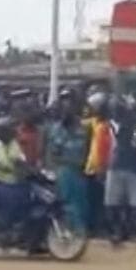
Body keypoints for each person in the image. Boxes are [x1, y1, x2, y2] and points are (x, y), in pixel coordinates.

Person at [103, 97, 136, 246]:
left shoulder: (129, 125)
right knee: (119, 202)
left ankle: (125, 232)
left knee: (128, 203)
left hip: (127, 167)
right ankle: (120, 232)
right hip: (121, 166)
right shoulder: (115, 125)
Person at [46, 100, 90, 232]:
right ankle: (67, 228)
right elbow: (52, 153)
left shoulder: (84, 128)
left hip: (80, 170)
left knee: (81, 201)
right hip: (64, 170)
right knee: (65, 200)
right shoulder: (55, 129)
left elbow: (88, 149)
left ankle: (80, 228)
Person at [0, 117, 29, 228]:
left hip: (13, 182)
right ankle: (4, 226)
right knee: (11, 199)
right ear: (1, 131)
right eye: (10, 129)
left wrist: (28, 168)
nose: (14, 131)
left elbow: (19, 158)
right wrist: (13, 169)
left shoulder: (13, 143)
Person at [84, 93, 113, 234]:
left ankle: (100, 227)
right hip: (91, 167)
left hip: (103, 167)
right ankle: (92, 227)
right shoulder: (93, 123)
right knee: (92, 199)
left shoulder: (108, 125)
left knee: (101, 200)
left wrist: (103, 167)